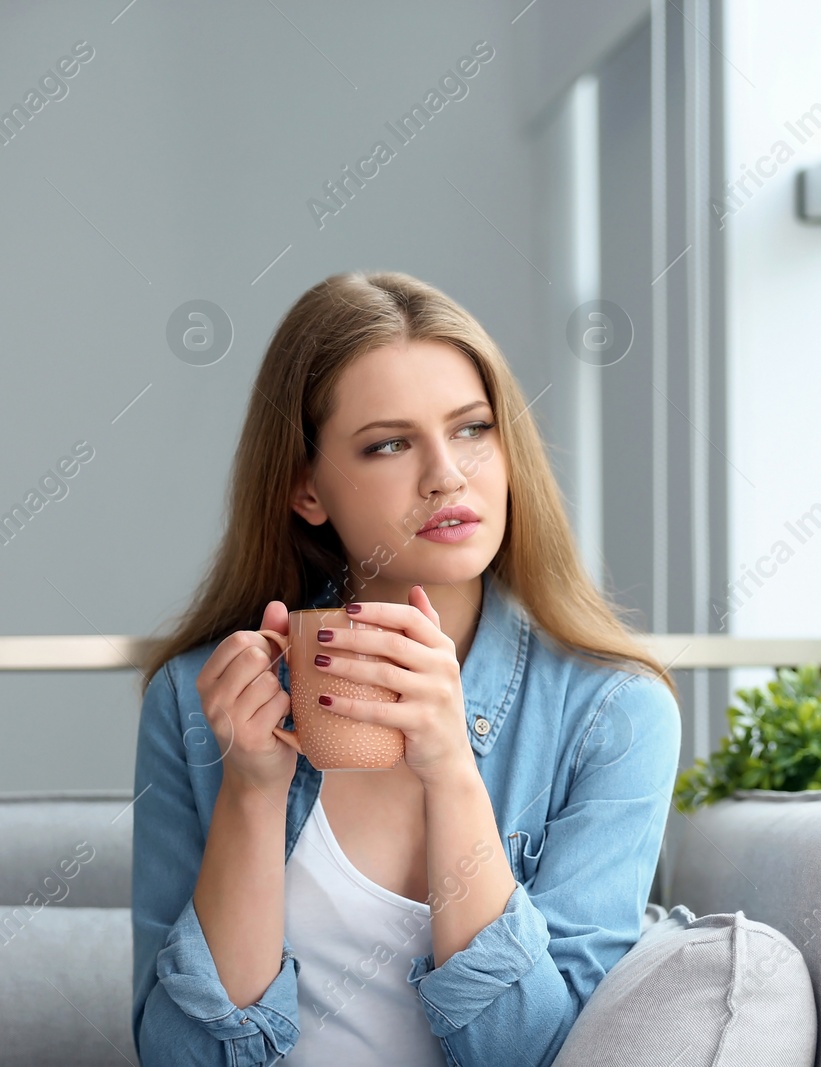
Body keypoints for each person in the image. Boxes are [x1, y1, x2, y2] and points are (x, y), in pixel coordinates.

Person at [130, 271, 682, 1066]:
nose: (447, 474)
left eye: (472, 429)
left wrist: (453, 770)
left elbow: (532, 1054)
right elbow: (178, 1058)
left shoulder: (616, 713)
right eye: (390, 443)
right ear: (306, 488)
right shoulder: (194, 699)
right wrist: (251, 794)